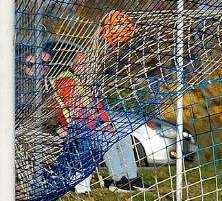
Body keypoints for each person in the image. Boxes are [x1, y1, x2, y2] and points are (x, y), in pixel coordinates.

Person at [43, 45, 147, 192]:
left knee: (123, 135)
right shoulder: (65, 81)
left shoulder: (86, 81)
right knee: (106, 138)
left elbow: (98, 105)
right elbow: (74, 111)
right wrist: (99, 126)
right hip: (77, 126)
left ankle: (131, 176)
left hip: (92, 124)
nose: (84, 66)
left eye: (86, 63)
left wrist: (106, 122)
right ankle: (118, 181)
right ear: (71, 64)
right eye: (80, 63)